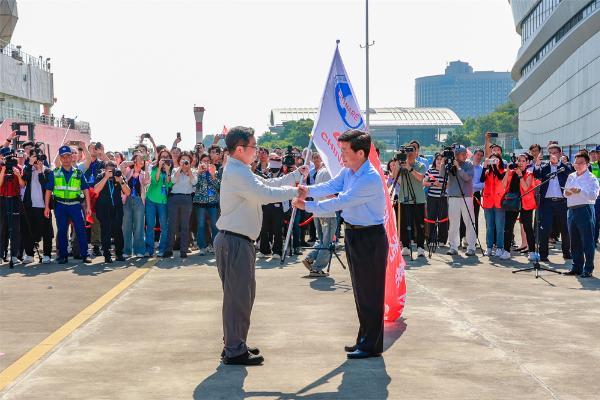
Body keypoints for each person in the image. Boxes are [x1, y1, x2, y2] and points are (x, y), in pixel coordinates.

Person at [293, 129, 387, 360]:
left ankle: (371, 345)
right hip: (355, 235)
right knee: (360, 292)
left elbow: (341, 200)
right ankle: (364, 339)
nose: (341, 155)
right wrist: (308, 190)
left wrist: (308, 206)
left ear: (361, 152)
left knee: (371, 294)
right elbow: (332, 186)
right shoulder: (350, 171)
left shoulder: (369, 178)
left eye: (345, 150)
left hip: (370, 238)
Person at [214, 126, 305, 366]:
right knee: (238, 298)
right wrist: (296, 190)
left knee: (243, 296)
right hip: (234, 241)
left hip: (238, 241)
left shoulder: (240, 169)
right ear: (240, 148)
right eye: (253, 146)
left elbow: (267, 185)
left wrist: (295, 176)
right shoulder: (237, 171)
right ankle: (234, 349)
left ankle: (236, 343)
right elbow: (264, 193)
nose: (256, 151)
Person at [44, 146, 92, 264]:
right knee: (62, 231)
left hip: (75, 205)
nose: (65, 159)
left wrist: (88, 207)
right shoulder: (54, 173)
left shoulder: (78, 173)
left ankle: (85, 254)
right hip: (60, 206)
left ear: (72, 157)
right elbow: (48, 191)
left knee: (80, 230)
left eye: (68, 156)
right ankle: (63, 256)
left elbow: (86, 190)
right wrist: (46, 207)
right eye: (63, 157)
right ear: (60, 159)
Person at [533, 144, 574, 262]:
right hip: (547, 203)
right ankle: (543, 254)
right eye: (550, 153)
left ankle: (567, 252)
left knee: (565, 229)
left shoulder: (565, 167)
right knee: (544, 229)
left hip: (562, 202)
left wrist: (559, 163)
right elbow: (536, 174)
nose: (552, 155)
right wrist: (537, 163)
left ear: (560, 154)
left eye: (555, 152)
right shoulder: (545, 167)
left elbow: (570, 173)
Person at [563, 152, 599, 278]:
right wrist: (567, 193)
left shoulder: (591, 178)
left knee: (587, 240)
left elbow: (593, 195)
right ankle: (576, 266)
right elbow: (565, 192)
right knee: (574, 240)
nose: (577, 165)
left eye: (580, 163)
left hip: (585, 209)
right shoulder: (571, 176)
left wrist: (580, 191)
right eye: (576, 163)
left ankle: (588, 268)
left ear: (587, 164)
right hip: (571, 210)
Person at [302, 151, 337, 276]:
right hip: (327, 211)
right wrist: (340, 199)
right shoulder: (328, 172)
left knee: (322, 240)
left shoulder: (320, 171)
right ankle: (317, 267)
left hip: (318, 211)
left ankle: (310, 258)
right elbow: (327, 193)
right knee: (326, 242)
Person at [389, 147, 426, 257]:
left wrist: (410, 168)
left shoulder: (420, 165)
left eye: (412, 151)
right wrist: (396, 163)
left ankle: (420, 247)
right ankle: (405, 246)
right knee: (403, 224)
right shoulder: (401, 164)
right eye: (407, 152)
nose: (410, 154)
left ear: (416, 153)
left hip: (418, 199)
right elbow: (394, 176)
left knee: (419, 224)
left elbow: (420, 178)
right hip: (404, 198)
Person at [441, 145, 476, 256]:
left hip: (466, 196)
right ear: (456, 155)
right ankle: (453, 247)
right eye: (462, 154)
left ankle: (471, 247)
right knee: (453, 223)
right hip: (453, 197)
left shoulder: (469, 164)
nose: (465, 156)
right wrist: (443, 162)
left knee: (469, 222)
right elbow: (442, 175)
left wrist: (458, 168)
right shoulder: (449, 165)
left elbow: (466, 178)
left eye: (465, 154)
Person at [502, 154, 537, 261]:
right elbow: (503, 186)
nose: (521, 163)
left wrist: (520, 175)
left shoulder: (529, 174)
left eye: (523, 161)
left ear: (527, 163)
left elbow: (526, 188)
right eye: (519, 161)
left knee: (527, 227)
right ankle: (506, 251)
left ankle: (531, 251)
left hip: (525, 203)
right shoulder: (512, 173)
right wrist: (507, 172)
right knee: (508, 227)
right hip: (512, 202)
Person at [22, 149, 54, 264]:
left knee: (47, 232)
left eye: (38, 157)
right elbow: (24, 178)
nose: (37, 160)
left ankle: (47, 255)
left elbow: (47, 186)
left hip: (44, 207)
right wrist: (30, 164)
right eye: (34, 157)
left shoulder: (48, 171)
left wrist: (40, 171)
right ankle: (30, 255)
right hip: (30, 206)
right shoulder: (29, 170)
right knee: (28, 231)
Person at [94, 161, 130, 263]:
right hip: (103, 208)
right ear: (105, 169)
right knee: (105, 231)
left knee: (118, 231)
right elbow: (95, 190)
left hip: (117, 207)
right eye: (109, 169)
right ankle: (107, 254)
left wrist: (121, 181)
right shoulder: (100, 176)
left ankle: (119, 253)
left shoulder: (119, 176)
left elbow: (127, 192)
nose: (112, 172)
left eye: (113, 169)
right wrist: (105, 178)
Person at [165, 151, 197, 258]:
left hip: (187, 198)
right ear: (179, 161)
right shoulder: (174, 169)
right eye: (182, 159)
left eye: (186, 160)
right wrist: (180, 168)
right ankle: (169, 249)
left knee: (185, 225)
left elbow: (194, 183)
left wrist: (189, 171)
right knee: (172, 225)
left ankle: (184, 249)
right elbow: (173, 180)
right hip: (174, 198)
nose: (184, 161)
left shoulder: (193, 171)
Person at [144, 149, 173, 257]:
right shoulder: (154, 168)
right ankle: (149, 250)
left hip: (163, 201)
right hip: (151, 200)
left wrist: (168, 170)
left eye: (166, 157)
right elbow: (155, 182)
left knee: (164, 227)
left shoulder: (171, 169)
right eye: (162, 157)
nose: (164, 159)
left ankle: (162, 249)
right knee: (150, 225)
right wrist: (160, 168)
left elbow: (169, 184)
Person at [0, 148, 26, 265]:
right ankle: (1, 254)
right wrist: (3, 170)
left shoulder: (18, 167)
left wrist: (17, 174)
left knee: (15, 228)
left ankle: (14, 255)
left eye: (10, 156)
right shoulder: (1, 167)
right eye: (6, 157)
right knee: (2, 228)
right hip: (2, 199)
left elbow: (22, 185)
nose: (8, 159)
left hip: (15, 199)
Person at [121, 154, 150, 258]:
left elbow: (147, 181)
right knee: (126, 226)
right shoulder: (128, 170)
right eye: (140, 159)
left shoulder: (143, 173)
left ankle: (139, 250)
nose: (142, 161)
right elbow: (122, 165)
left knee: (139, 226)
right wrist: (134, 162)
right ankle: (127, 251)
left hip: (138, 200)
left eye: (143, 159)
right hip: (127, 200)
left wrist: (146, 165)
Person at [193, 153, 220, 256]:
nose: (206, 163)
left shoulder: (215, 171)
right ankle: (202, 247)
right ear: (200, 162)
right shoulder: (197, 172)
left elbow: (218, 185)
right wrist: (198, 173)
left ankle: (215, 246)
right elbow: (193, 183)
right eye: (204, 161)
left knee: (214, 225)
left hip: (213, 202)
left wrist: (213, 175)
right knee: (200, 225)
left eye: (208, 161)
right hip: (200, 203)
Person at [481, 154, 506, 257]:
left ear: (500, 161)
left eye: (496, 160)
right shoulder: (487, 171)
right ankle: (489, 247)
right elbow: (482, 179)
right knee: (489, 227)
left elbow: (500, 178)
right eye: (491, 160)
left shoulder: (503, 172)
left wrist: (495, 167)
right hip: (488, 201)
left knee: (500, 227)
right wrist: (485, 167)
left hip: (499, 201)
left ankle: (500, 247)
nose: (493, 161)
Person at [423, 153, 448, 246]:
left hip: (443, 198)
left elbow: (449, 184)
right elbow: (424, 182)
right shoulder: (430, 171)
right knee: (431, 219)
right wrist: (433, 184)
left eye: (441, 159)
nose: (439, 161)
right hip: (432, 198)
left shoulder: (446, 171)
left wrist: (440, 185)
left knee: (442, 219)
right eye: (437, 159)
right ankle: (431, 240)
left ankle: (442, 240)